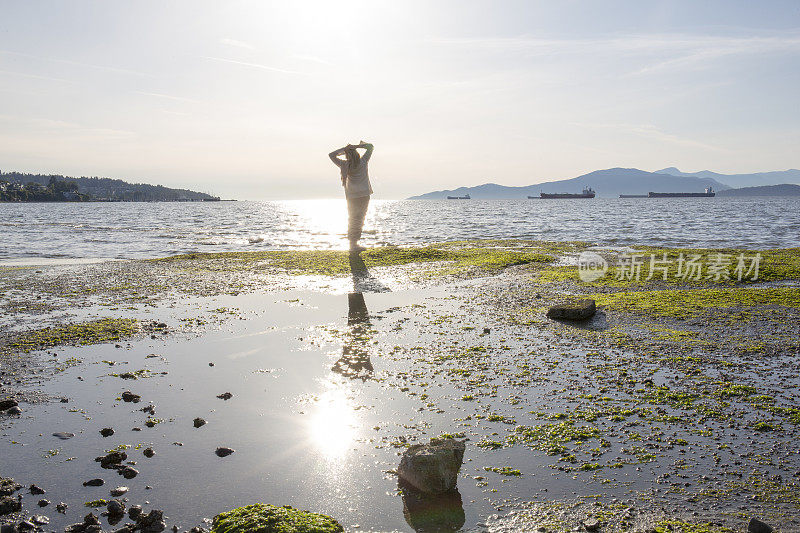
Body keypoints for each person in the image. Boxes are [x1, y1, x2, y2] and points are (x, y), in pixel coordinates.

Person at [329, 140, 374, 252]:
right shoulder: (363, 161)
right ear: (357, 153)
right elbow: (370, 147)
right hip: (364, 195)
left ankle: (352, 244)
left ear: (347, 155)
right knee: (359, 219)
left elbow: (331, 155)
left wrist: (345, 149)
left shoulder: (344, 164)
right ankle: (354, 244)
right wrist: (357, 146)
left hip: (352, 196)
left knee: (353, 219)